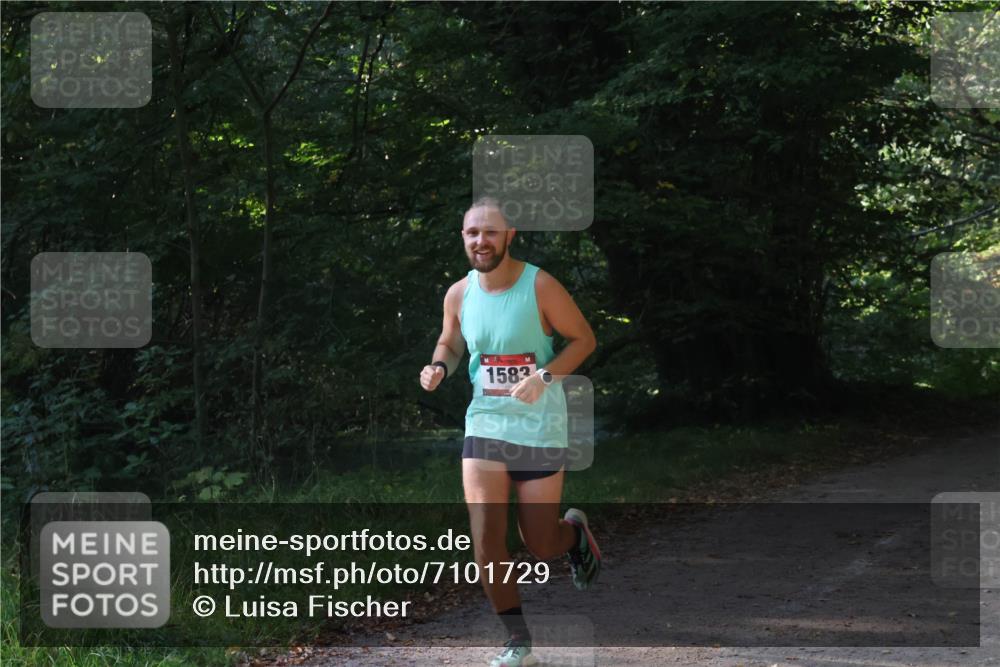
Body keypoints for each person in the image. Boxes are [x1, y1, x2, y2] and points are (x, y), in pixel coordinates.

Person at [419, 197, 601, 667]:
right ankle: (518, 640)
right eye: (472, 233)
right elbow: (451, 340)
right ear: (463, 237)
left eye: (491, 232)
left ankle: (574, 535)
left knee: (540, 542)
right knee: (485, 537)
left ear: (510, 234)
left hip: (540, 426)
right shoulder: (458, 293)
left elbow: (584, 340)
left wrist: (543, 378)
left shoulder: (539, 285)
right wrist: (439, 365)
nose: (481, 241)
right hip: (485, 424)